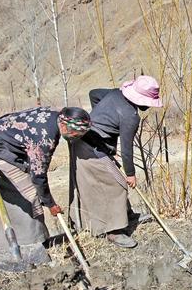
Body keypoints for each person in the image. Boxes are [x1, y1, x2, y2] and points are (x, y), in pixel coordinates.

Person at [0, 106, 91, 264]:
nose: (76, 138)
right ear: (64, 126)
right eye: (75, 134)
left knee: (30, 189)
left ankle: (37, 238)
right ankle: (29, 242)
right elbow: (38, 176)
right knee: (29, 193)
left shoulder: (56, 117)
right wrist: (50, 203)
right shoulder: (45, 139)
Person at [69, 76, 162, 248]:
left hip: (88, 142)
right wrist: (130, 174)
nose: (148, 106)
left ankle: (126, 215)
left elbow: (93, 94)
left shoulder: (114, 94)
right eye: (148, 102)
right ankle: (114, 231)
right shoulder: (130, 116)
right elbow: (126, 149)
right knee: (117, 184)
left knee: (114, 180)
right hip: (89, 149)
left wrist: (100, 120)